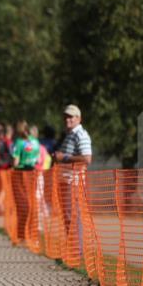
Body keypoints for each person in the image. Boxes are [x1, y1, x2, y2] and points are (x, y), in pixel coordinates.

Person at [54, 104, 92, 261]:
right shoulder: (70, 134)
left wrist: (64, 158)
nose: (67, 119)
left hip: (74, 181)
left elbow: (87, 158)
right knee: (68, 216)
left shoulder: (80, 135)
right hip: (66, 179)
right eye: (66, 116)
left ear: (79, 118)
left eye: (71, 116)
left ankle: (77, 252)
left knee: (72, 216)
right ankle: (73, 249)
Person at [10, 120, 41, 243]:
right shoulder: (36, 141)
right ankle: (33, 235)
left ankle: (21, 235)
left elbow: (15, 162)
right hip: (33, 174)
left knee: (21, 205)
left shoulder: (19, 142)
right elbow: (38, 160)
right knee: (33, 204)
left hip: (20, 174)